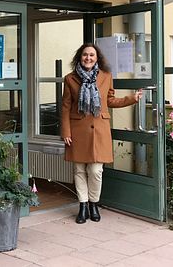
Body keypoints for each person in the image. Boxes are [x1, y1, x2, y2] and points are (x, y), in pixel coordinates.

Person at [60, 43, 142, 224]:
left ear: (97, 58)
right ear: (79, 58)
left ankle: (93, 204)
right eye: (84, 55)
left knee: (96, 170)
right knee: (79, 170)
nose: (88, 58)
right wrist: (65, 131)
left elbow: (110, 100)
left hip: (99, 130)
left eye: (91, 55)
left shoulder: (106, 77)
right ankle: (82, 205)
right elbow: (65, 107)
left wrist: (132, 99)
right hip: (77, 129)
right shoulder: (70, 79)